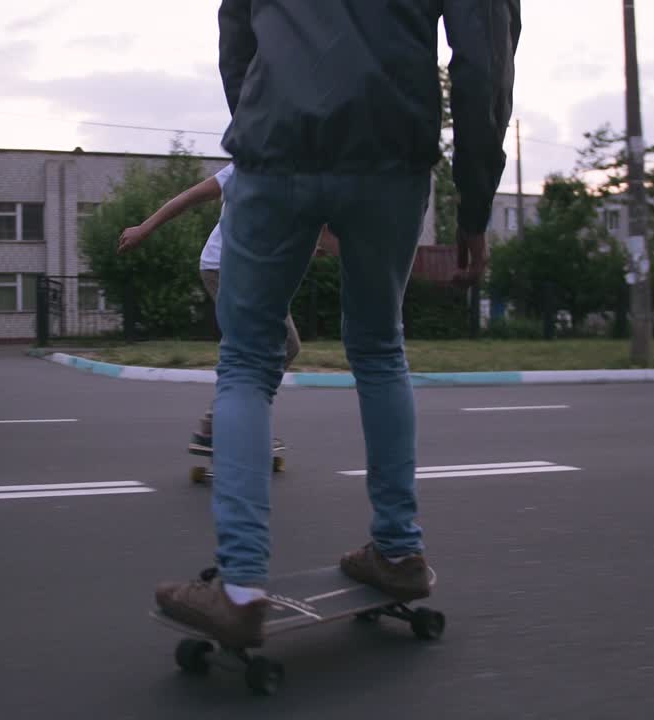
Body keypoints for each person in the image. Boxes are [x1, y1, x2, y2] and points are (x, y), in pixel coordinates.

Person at [154, 0, 520, 649]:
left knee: (245, 360)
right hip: (391, 151)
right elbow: (482, 62)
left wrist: (265, 119)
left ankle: (239, 589)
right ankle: (399, 552)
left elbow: (235, 29)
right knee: (380, 347)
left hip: (276, 146)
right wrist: (474, 202)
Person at [117, 164, 323, 451]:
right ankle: (219, 428)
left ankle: (226, 425)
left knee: (281, 346)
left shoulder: (305, 178)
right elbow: (190, 196)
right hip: (225, 268)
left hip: (256, 273)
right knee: (264, 347)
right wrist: (145, 227)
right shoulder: (248, 166)